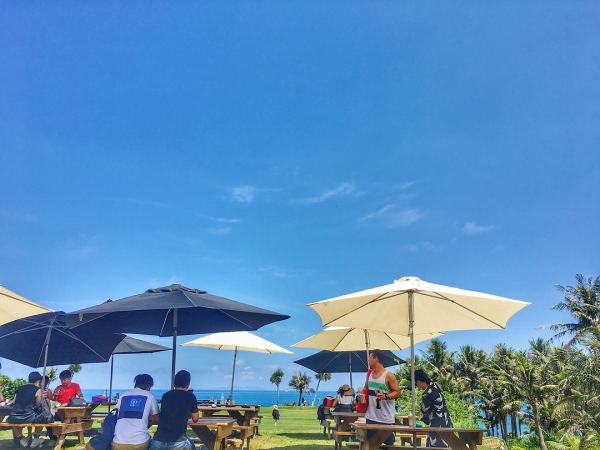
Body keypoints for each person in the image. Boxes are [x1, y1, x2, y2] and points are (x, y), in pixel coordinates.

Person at [150, 370, 199, 450]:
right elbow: (195, 419)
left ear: (174, 384)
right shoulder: (190, 397)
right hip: (178, 442)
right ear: (188, 385)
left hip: (158, 441)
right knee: (192, 446)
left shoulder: (166, 396)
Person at [364, 349, 402, 445]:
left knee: (389, 445)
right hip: (371, 417)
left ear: (376, 359)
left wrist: (386, 396)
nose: (368, 360)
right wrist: (362, 396)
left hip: (386, 419)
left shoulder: (388, 375)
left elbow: (398, 392)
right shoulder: (369, 374)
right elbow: (365, 388)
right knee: (370, 444)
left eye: (370, 358)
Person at [112, 374, 160, 450]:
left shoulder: (123, 396)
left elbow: (115, 415)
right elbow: (157, 420)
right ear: (148, 387)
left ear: (135, 384)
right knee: (154, 443)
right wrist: (149, 421)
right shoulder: (150, 395)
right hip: (139, 443)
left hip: (118, 443)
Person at [415, 369, 453, 448]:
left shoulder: (427, 393)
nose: (418, 387)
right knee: (447, 443)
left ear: (418, 382)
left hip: (436, 421)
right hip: (446, 419)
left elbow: (424, 410)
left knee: (435, 445)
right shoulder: (436, 385)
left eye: (417, 384)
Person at [7, 371, 45, 448]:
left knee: (11, 421)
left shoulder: (19, 389)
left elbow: (14, 401)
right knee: (42, 418)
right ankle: (36, 438)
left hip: (14, 417)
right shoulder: (38, 390)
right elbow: (38, 404)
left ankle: (21, 439)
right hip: (28, 417)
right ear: (37, 381)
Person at [47, 370, 84, 446]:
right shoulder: (58, 387)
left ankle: (61, 436)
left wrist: (79, 399)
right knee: (47, 417)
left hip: (69, 410)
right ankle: (53, 438)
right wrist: (56, 395)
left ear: (69, 378)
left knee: (65, 416)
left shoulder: (75, 386)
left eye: (64, 379)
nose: (63, 382)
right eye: (61, 380)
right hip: (59, 409)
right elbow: (54, 401)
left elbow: (80, 396)